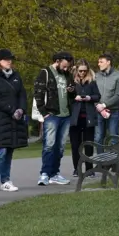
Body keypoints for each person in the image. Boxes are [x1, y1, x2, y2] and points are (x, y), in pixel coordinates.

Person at [0, 49, 28, 192]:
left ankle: (5, 180)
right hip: (0, 117)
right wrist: (11, 110)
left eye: (10, 59)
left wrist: (21, 109)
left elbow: (22, 94)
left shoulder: (16, 76)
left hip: (15, 118)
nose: (9, 61)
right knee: (1, 150)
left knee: (9, 149)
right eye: (6, 59)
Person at [34, 51, 75, 186]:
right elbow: (38, 93)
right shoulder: (45, 73)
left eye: (67, 66)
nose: (66, 68)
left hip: (65, 115)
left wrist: (72, 90)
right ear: (57, 61)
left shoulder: (67, 75)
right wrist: (44, 112)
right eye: (64, 65)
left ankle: (55, 173)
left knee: (60, 147)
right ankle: (44, 173)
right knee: (49, 145)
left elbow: (73, 94)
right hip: (52, 115)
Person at [69, 59, 100, 178]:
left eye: (84, 71)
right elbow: (67, 97)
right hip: (75, 118)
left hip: (88, 117)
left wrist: (89, 98)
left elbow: (97, 96)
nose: (82, 73)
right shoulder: (72, 82)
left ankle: (89, 168)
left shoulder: (92, 82)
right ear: (76, 70)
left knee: (88, 144)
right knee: (75, 144)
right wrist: (74, 98)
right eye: (80, 71)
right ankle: (76, 169)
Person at [94, 53, 119, 153]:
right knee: (98, 137)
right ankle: (100, 161)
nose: (99, 64)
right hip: (98, 111)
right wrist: (98, 106)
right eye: (98, 62)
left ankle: (113, 161)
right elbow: (93, 93)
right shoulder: (96, 76)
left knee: (113, 137)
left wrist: (104, 105)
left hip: (113, 111)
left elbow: (118, 95)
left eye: (101, 62)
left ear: (108, 62)